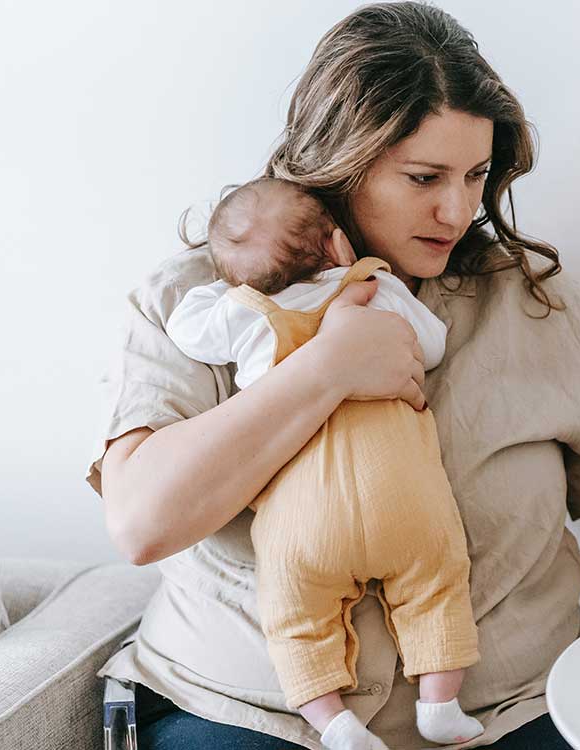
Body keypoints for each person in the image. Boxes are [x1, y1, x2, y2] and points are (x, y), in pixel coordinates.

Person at [88, 3, 580, 748]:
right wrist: (325, 370)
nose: (456, 210)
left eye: (476, 175)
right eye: (423, 177)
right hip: (249, 711)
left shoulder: (532, 303)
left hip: (510, 709)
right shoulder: (199, 303)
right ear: (340, 163)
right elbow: (143, 522)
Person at [164, 176, 484, 749]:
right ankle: (440, 704)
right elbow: (431, 345)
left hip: (303, 516)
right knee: (438, 584)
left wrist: (228, 287)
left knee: (294, 619)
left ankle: (333, 723)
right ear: (338, 244)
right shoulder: (373, 287)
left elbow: (187, 328)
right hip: (404, 497)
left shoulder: (248, 314)